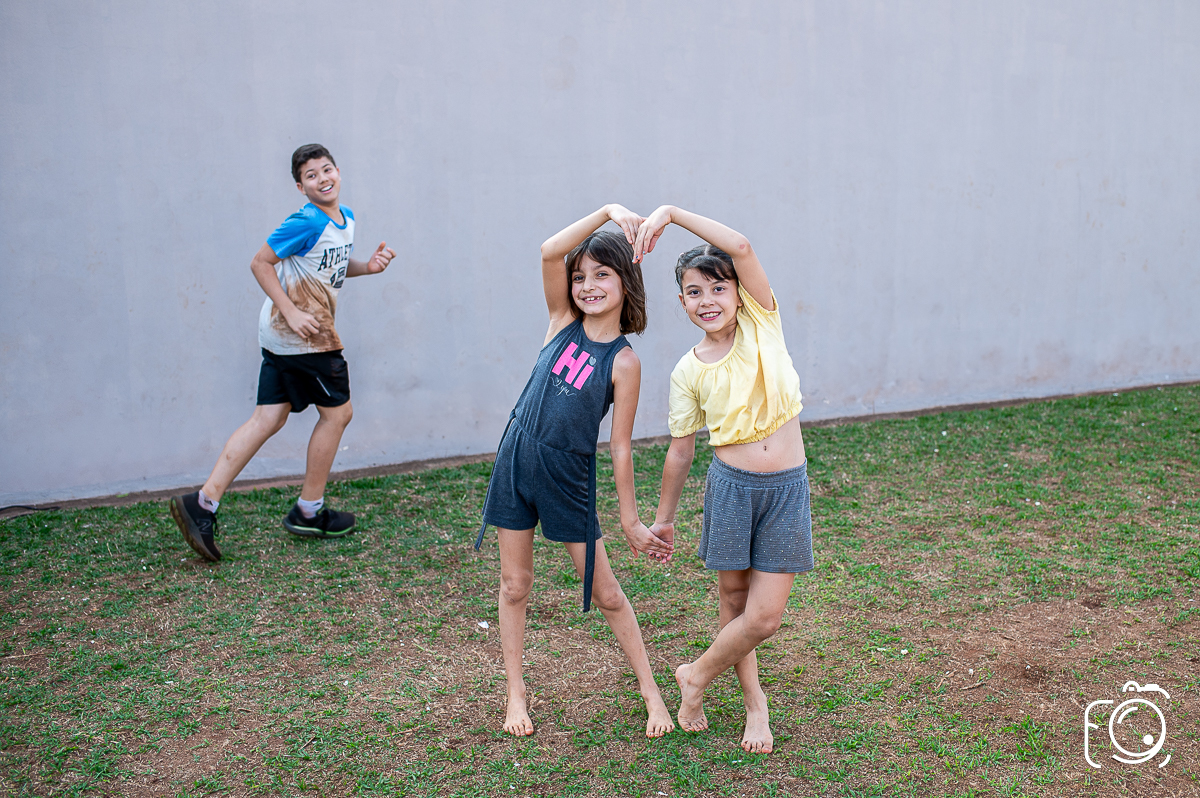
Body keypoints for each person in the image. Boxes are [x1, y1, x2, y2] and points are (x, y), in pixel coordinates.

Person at [475, 204, 675, 738]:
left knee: (607, 593)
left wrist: (630, 520)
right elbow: (549, 251)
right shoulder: (562, 321)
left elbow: (620, 447)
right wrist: (607, 210)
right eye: (580, 277)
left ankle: (651, 691)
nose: (587, 286)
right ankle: (515, 692)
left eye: (601, 275)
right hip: (517, 459)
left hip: (567, 477)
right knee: (515, 585)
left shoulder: (624, 362)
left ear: (626, 282)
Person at [635, 205, 813, 754]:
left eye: (717, 287)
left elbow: (740, 245)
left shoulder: (763, 320)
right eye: (694, 292)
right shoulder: (688, 370)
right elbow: (681, 450)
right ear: (682, 302)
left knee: (765, 617)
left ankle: (696, 675)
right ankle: (755, 704)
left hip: (786, 488)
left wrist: (670, 213)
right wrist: (664, 519)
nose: (707, 300)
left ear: (739, 293)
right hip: (732, 489)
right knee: (734, 602)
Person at [170, 144, 395, 561]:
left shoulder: (345, 219)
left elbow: (330, 266)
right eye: (311, 175)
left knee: (268, 418)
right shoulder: (306, 220)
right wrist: (291, 312)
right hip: (305, 335)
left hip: (281, 334)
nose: (322, 178)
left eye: (326, 169)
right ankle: (309, 511)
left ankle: (202, 503)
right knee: (338, 414)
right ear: (300, 186)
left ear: (338, 171)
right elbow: (260, 262)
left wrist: (368, 266)